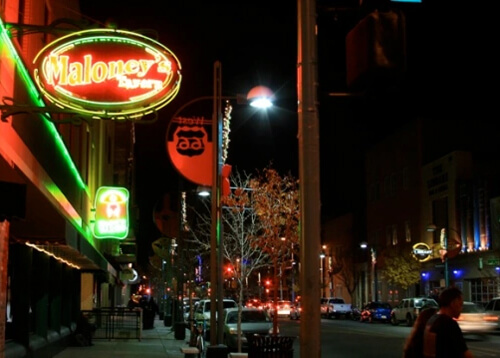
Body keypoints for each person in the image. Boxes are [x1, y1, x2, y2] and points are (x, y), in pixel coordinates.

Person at [423, 287, 474, 358]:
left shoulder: (432, 320)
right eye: (460, 304)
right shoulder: (449, 324)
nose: (461, 308)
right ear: (453, 303)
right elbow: (465, 354)